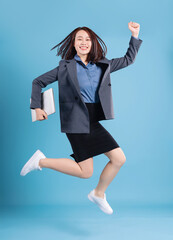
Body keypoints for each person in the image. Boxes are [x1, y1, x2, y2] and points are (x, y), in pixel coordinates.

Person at [20, 22, 143, 215]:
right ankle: (42, 162)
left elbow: (128, 60)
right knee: (90, 170)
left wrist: (134, 35)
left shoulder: (103, 65)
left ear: (93, 43)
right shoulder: (65, 67)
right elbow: (38, 82)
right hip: (76, 122)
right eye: (80, 39)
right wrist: (36, 107)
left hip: (93, 121)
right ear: (74, 43)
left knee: (113, 161)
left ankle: (97, 193)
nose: (84, 42)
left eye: (88, 39)